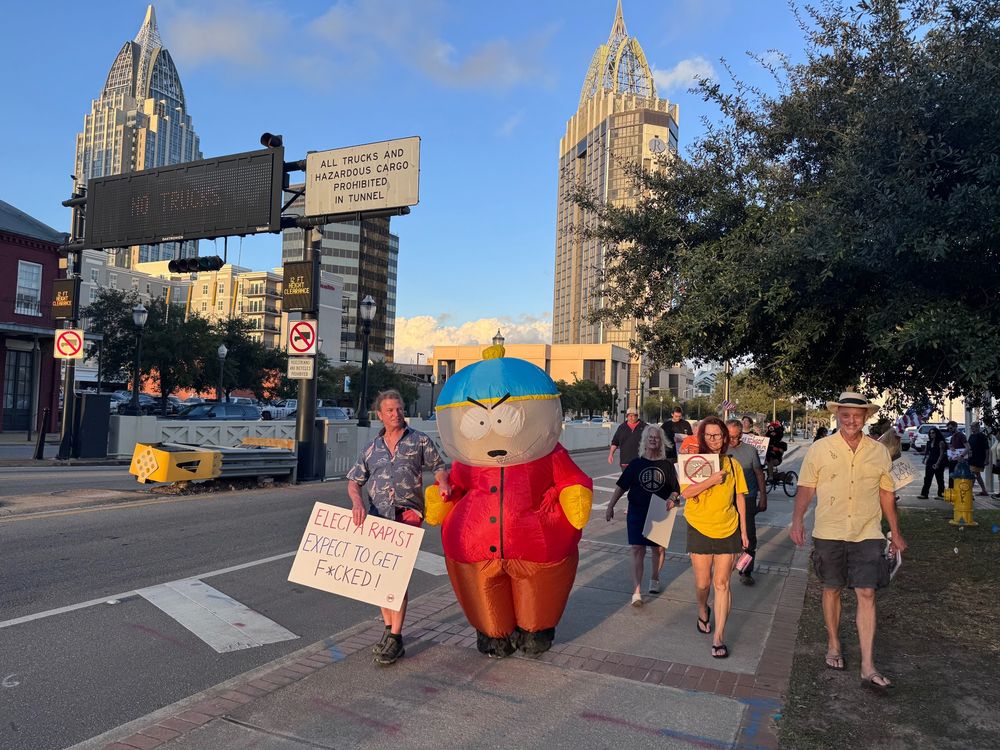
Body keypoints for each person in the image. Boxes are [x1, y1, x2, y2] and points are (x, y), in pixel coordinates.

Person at [790, 392, 907, 692]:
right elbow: (806, 488)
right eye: (845, 414)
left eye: (857, 415)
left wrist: (895, 531)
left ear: (865, 418)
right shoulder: (820, 449)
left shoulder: (879, 452)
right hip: (829, 531)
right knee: (832, 588)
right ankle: (833, 642)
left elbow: (886, 494)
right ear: (837, 416)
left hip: (867, 532)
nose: (851, 420)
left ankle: (868, 665)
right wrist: (797, 520)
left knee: (866, 593)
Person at [347, 389, 450, 666]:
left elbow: (438, 466)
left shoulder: (419, 441)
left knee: (397, 577)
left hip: (407, 517)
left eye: (399, 409)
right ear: (379, 415)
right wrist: (357, 503)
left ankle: (396, 636)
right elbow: (354, 481)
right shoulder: (371, 449)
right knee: (381, 578)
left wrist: (442, 482)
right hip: (379, 518)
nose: (396, 414)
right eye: (390, 410)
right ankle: (387, 629)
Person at [675, 416, 749, 659]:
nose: (714, 439)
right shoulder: (693, 462)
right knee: (703, 584)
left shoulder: (733, 464)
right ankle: (701, 609)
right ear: (702, 438)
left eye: (718, 435)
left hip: (728, 528)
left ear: (725, 438)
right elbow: (686, 494)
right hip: (699, 526)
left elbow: (740, 498)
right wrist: (711, 480)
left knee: (722, 584)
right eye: (709, 435)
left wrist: (744, 532)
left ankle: (719, 636)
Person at [606, 425, 680, 606]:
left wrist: (672, 497)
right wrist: (611, 505)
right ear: (644, 441)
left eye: (656, 437)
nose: (653, 440)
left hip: (660, 510)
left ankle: (654, 577)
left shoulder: (667, 465)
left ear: (661, 441)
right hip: (638, 510)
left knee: (658, 549)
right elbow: (622, 486)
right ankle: (637, 591)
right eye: (650, 437)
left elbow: (676, 488)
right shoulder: (636, 464)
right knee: (637, 549)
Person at [726, 419, 767, 586]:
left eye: (737, 437)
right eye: (730, 437)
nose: (733, 441)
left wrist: (763, 496)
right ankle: (726, 566)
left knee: (749, 536)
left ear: (741, 434)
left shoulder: (750, 450)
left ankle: (745, 570)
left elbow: (759, 474)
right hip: (726, 500)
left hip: (748, 498)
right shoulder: (719, 451)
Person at [918, 427, 946, 499]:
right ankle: (924, 494)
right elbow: (927, 452)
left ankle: (941, 494)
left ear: (936, 433)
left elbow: (941, 454)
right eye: (930, 433)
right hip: (930, 462)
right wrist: (924, 459)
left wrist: (937, 463)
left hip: (938, 462)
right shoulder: (929, 442)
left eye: (933, 433)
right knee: (927, 479)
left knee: (939, 479)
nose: (931, 434)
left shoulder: (941, 442)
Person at [967, 421, 990, 497]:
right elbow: (969, 447)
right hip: (972, 458)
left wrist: (986, 459)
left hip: (979, 458)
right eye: (971, 426)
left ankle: (969, 492)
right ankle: (984, 490)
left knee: (973, 474)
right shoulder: (971, 436)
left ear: (977, 427)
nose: (972, 428)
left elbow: (986, 449)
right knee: (977, 475)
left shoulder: (982, 436)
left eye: (973, 426)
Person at [944, 420, 968, 488]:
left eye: (951, 428)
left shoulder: (961, 435)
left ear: (955, 427)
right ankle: (952, 492)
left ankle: (957, 492)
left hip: (960, 460)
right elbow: (951, 446)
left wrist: (961, 456)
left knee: (958, 477)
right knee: (952, 476)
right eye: (949, 428)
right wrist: (951, 447)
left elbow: (967, 447)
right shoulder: (953, 436)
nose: (950, 430)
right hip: (953, 459)